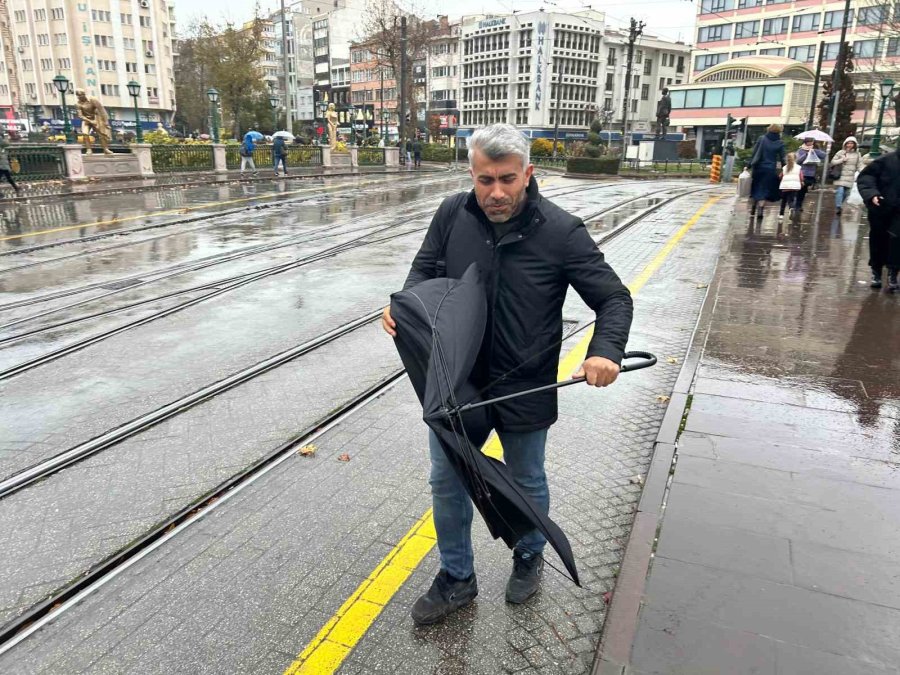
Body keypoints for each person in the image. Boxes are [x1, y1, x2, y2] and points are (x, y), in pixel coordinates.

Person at [381, 123, 633, 625]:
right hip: (457, 382)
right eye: (485, 180)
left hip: (526, 382)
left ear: (528, 173)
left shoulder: (561, 231)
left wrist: (604, 351)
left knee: (526, 479)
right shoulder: (452, 214)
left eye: (507, 179)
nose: (496, 192)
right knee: (447, 480)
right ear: (472, 175)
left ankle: (529, 554)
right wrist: (405, 305)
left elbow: (613, 298)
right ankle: (457, 577)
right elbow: (424, 270)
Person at [857, 149, 900, 292]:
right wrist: (872, 194)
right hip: (881, 207)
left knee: (897, 240)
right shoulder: (885, 160)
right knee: (878, 239)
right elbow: (866, 177)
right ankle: (876, 272)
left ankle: (893, 274)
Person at [749, 124, 786, 220]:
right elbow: (783, 158)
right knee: (764, 189)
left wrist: (748, 164)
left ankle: (753, 208)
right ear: (779, 132)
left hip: (758, 168)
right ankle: (760, 210)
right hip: (770, 169)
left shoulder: (762, 139)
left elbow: (754, 153)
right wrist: (786, 169)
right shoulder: (780, 143)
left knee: (756, 188)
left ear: (769, 129)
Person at [74, 89, 112, 155]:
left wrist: (106, 121)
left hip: (96, 118)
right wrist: (90, 121)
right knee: (85, 134)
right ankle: (89, 149)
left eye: (81, 95)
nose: (79, 97)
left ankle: (106, 149)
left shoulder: (93, 100)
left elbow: (102, 110)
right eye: (78, 96)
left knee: (101, 134)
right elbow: (80, 115)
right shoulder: (78, 104)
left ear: (84, 94)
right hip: (86, 120)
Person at [830, 136, 861, 215]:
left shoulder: (857, 154)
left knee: (846, 193)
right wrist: (842, 160)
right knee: (840, 191)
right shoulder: (841, 152)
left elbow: (859, 165)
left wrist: (863, 172)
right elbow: (833, 162)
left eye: (851, 143)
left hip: (850, 177)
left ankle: (840, 204)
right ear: (845, 144)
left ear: (854, 144)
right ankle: (838, 207)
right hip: (840, 176)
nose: (849, 145)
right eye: (848, 143)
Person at [795, 136, 826, 213]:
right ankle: (797, 205)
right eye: (808, 142)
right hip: (802, 173)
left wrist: (815, 151)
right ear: (805, 142)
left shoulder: (814, 150)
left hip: (811, 173)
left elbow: (824, 155)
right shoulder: (801, 150)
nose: (810, 143)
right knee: (801, 190)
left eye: (811, 142)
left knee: (804, 190)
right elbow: (798, 161)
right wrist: (806, 154)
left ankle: (798, 204)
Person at [778, 152, 802, 221]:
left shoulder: (784, 167)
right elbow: (801, 177)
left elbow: (780, 176)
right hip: (794, 187)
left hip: (785, 187)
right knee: (791, 199)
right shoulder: (798, 167)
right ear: (796, 159)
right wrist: (801, 182)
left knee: (783, 201)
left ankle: (781, 214)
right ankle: (791, 207)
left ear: (787, 159)